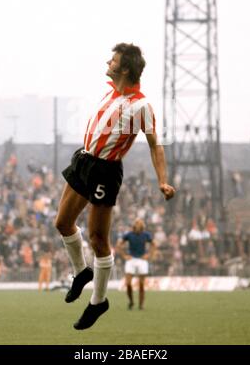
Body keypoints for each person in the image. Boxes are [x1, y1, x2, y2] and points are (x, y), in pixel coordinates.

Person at [55, 42, 175, 330]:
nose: (108, 62)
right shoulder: (111, 92)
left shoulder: (141, 106)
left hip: (105, 171)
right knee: (62, 223)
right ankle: (81, 272)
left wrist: (162, 180)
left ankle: (98, 302)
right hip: (84, 160)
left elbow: (155, 145)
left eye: (114, 60)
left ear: (124, 68)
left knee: (98, 239)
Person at [117, 218, 155, 310]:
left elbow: (153, 244)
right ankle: (131, 302)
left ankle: (141, 305)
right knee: (128, 283)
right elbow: (119, 245)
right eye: (136, 223)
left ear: (142, 226)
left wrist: (149, 255)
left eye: (139, 223)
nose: (138, 224)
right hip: (131, 259)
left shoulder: (146, 235)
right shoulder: (129, 234)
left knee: (141, 284)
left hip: (142, 260)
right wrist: (124, 256)